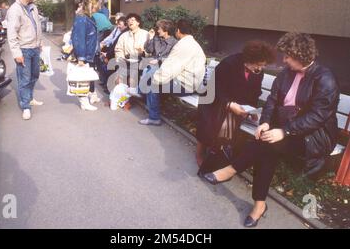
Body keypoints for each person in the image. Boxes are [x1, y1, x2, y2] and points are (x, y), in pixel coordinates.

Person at [203, 32, 340, 227]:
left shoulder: (325, 78)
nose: (283, 60)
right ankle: (259, 206)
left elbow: (317, 117)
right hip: (284, 129)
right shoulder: (287, 73)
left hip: (314, 136)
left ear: (300, 56)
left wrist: (284, 131)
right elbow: (272, 100)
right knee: (266, 149)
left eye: (287, 56)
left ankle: (231, 170)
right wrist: (265, 122)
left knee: (266, 146)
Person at [195, 41, 276, 167]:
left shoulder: (258, 72)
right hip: (214, 101)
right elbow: (215, 87)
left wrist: (252, 111)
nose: (260, 68)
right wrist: (229, 104)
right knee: (211, 121)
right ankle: (200, 152)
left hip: (237, 106)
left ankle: (217, 153)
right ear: (250, 58)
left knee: (230, 121)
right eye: (259, 64)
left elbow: (255, 93)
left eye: (263, 65)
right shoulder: (229, 63)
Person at [139, 19, 206, 126]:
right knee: (154, 75)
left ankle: (154, 117)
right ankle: (145, 100)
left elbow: (170, 68)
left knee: (154, 84)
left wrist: (155, 79)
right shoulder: (193, 44)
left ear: (178, 31)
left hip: (185, 85)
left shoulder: (182, 45)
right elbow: (175, 63)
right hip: (192, 82)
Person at [7, 0, 43, 120]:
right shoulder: (14, 10)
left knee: (35, 75)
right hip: (24, 50)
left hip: (35, 48)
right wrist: (17, 54)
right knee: (24, 79)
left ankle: (30, 97)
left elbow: (37, 25)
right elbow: (11, 35)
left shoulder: (33, 7)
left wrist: (39, 43)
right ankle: (25, 106)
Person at [128, 19, 178, 97]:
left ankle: (139, 91)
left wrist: (159, 60)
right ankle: (140, 92)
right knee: (143, 68)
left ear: (166, 30)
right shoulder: (156, 38)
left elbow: (173, 58)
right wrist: (150, 38)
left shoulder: (174, 43)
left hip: (164, 65)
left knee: (148, 70)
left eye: (159, 29)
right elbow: (148, 49)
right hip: (152, 63)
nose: (158, 31)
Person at [71, 0, 101, 111]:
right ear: (90, 6)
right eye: (95, 7)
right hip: (85, 54)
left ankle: (89, 97)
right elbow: (79, 39)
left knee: (87, 77)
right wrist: (81, 57)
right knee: (82, 78)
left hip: (89, 53)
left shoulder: (87, 18)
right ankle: (84, 102)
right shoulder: (82, 18)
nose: (97, 10)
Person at [115, 13, 151, 86]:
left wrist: (143, 53)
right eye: (128, 21)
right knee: (118, 80)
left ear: (138, 22)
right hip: (126, 63)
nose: (130, 22)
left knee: (131, 80)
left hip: (141, 63)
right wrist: (121, 59)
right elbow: (118, 50)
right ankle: (122, 96)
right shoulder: (124, 36)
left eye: (132, 20)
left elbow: (151, 50)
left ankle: (132, 95)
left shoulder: (146, 34)